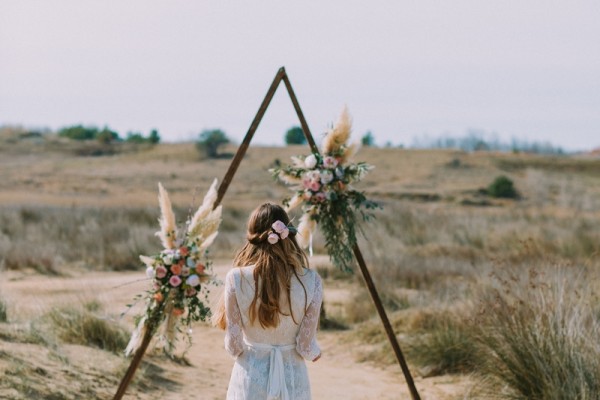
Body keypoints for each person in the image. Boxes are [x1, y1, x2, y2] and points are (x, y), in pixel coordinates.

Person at [214, 203, 322, 400]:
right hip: (293, 380)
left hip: (250, 379)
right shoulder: (311, 280)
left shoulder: (236, 278)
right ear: (288, 232)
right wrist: (316, 353)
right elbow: (305, 347)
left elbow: (234, 346)